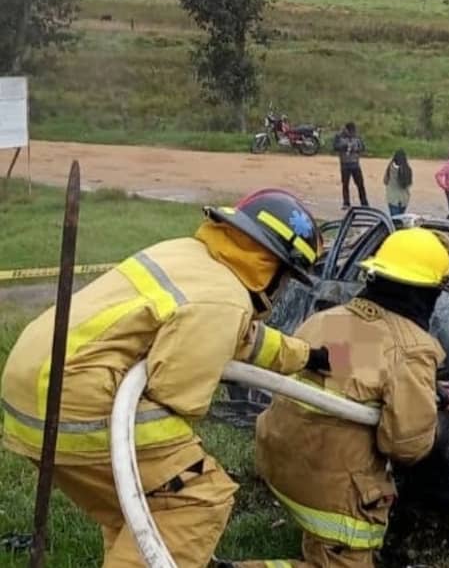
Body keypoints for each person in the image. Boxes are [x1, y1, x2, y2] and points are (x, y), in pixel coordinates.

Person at [1, 189, 335, 567]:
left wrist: (307, 356)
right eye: (288, 277)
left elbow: (240, 338)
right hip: (76, 400)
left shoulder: (192, 257)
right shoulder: (223, 298)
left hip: (33, 383)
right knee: (196, 497)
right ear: (271, 264)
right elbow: (177, 394)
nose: (285, 287)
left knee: (142, 509)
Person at [231, 228, 449, 568]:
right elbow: (406, 447)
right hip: (331, 493)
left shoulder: (327, 319)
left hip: (279, 461)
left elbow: (351, 371)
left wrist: (415, 392)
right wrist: (429, 414)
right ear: (428, 292)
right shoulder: (411, 348)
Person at [334, 122, 368, 209]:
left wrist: (356, 148)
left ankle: (364, 203)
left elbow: (363, 147)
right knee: (345, 184)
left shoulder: (357, 137)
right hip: (345, 164)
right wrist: (344, 146)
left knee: (360, 184)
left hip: (355, 164)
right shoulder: (339, 137)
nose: (352, 133)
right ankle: (346, 203)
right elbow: (335, 147)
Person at [383, 149, 412, 216]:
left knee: (394, 222)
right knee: (400, 220)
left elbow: (385, 181)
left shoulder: (390, 168)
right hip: (404, 199)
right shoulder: (408, 169)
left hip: (393, 199)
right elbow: (409, 184)